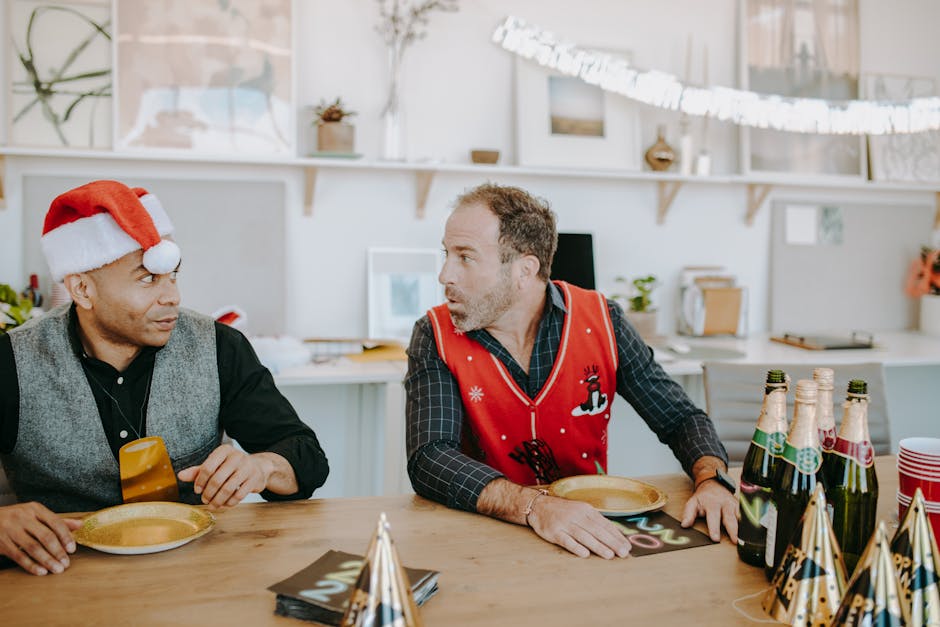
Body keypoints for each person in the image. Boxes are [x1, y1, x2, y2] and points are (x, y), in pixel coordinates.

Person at [0, 180, 329, 576]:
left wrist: (263, 466)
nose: (172, 295)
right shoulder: (11, 362)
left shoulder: (220, 347)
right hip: (58, 575)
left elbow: (308, 458)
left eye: (173, 275)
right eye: (147, 279)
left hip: (193, 573)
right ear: (82, 289)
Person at [405, 183, 737, 559]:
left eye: (465, 257)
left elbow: (680, 418)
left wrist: (712, 480)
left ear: (524, 270)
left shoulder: (603, 320)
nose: (445, 274)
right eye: (447, 254)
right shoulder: (434, 334)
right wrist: (535, 507)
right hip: (482, 537)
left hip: (589, 537)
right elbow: (430, 458)